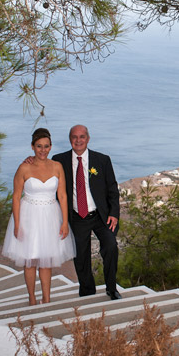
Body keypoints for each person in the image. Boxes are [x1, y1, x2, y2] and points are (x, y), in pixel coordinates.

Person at [2, 128, 75, 305]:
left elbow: (63, 195)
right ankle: (32, 297)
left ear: (51, 147)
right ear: (33, 147)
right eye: (39, 146)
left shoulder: (57, 167)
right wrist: (17, 224)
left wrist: (65, 222)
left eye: (46, 146)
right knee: (30, 260)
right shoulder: (24, 167)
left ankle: (47, 298)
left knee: (46, 260)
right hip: (29, 216)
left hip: (51, 214)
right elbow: (16, 197)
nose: (43, 150)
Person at [52, 125, 121, 299]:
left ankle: (111, 289)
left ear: (88, 139)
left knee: (111, 247)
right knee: (81, 257)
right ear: (70, 139)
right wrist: (29, 161)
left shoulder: (102, 160)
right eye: (74, 137)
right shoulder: (59, 160)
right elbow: (43, 169)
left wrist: (114, 213)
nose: (78, 140)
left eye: (82, 137)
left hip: (100, 215)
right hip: (76, 216)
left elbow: (112, 189)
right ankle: (87, 291)